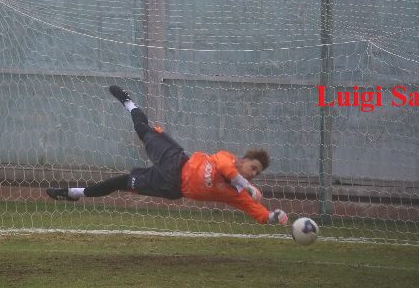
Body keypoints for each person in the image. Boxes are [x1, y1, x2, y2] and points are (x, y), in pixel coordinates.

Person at [47, 86, 290, 226]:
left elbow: (255, 211)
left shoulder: (238, 193)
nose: (254, 173)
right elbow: (227, 169)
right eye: (253, 167)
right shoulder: (228, 160)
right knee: (143, 130)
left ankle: (73, 193)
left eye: (257, 173)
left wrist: (273, 216)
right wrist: (246, 184)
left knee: (121, 182)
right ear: (243, 161)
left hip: (170, 185)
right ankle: (128, 102)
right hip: (176, 159)